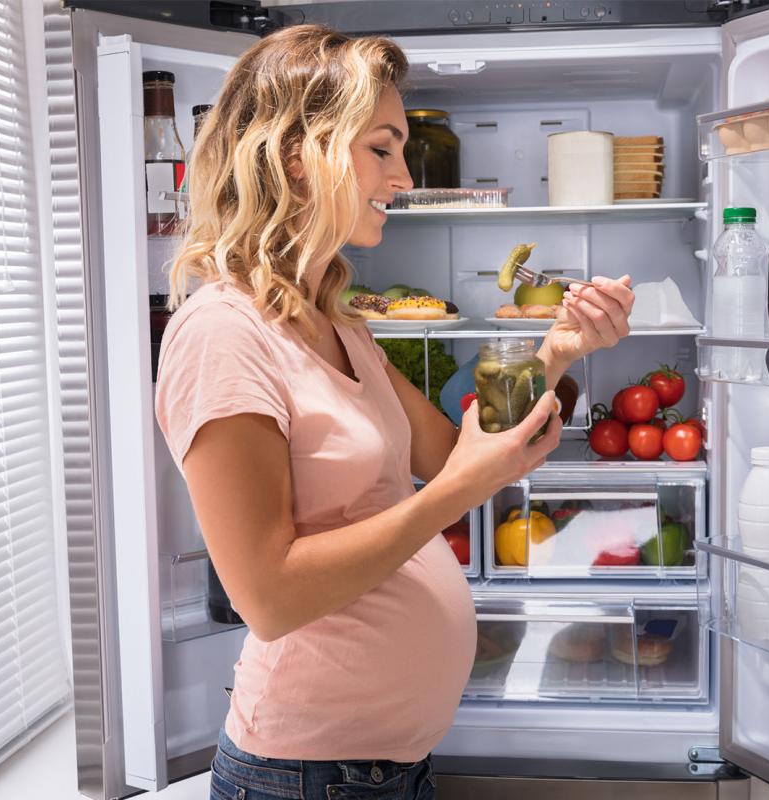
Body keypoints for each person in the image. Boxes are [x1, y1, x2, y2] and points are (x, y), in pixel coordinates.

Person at [155, 24, 635, 800]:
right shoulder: (222, 334)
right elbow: (268, 599)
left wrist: (558, 350)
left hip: (386, 771)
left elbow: (448, 451)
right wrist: (453, 496)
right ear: (296, 156)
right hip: (303, 776)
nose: (404, 176)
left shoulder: (337, 322)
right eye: (381, 148)